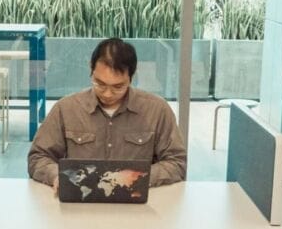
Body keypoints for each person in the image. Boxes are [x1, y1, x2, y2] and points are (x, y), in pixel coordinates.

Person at [28, 37, 186, 189]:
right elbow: (38, 157)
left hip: (137, 203)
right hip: (81, 201)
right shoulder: (66, 109)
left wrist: (139, 177)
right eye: (100, 84)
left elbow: (177, 162)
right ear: (91, 68)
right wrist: (59, 176)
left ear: (132, 76)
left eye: (118, 87)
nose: (108, 94)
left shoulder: (156, 110)